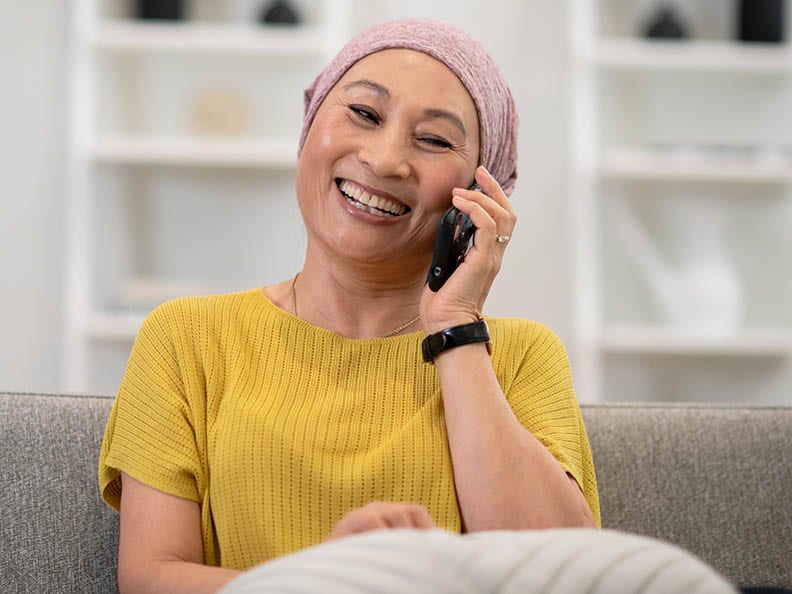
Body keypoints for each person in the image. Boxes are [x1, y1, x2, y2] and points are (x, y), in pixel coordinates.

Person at [98, 17, 599, 594]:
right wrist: (326, 582)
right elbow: (149, 579)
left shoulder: (519, 355)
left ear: (480, 201)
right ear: (309, 130)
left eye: (434, 140)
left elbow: (565, 576)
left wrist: (457, 329)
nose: (385, 160)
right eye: (364, 113)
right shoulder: (187, 337)